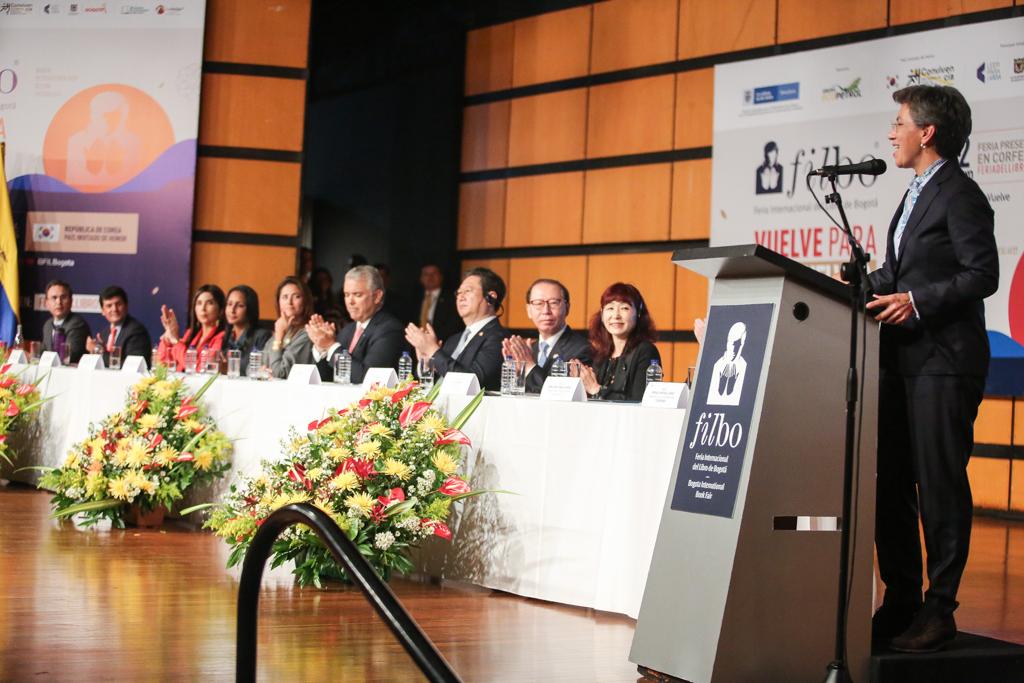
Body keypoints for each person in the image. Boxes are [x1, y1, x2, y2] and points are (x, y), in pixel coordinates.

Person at [865, 85, 998, 653]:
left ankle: (939, 609)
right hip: (898, 363)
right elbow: (896, 274)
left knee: (940, 488)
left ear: (928, 133)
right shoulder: (914, 195)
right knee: (889, 485)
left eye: (899, 123)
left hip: (944, 364)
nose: (891, 133)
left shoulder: (959, 194)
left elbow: (982, 273)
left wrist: (917, 301)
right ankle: (901, 601)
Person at [405, 267, 507, 391]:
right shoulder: (454, 339)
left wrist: (433, 351)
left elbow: (472, 382)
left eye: (467, 291)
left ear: (490, 297)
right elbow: (440, 382)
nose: (460, 297)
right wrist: (427, 364)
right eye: (458, 293)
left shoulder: (500, 339)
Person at [306, 265, 405, 383]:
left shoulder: (390, 329)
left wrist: (331, 346)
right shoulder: (347, 330)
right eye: (346, 295)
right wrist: (322, 347)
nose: (350, 301)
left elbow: (368, 379)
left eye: (357, 295)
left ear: (377, 296)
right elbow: (326, 379)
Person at [502, 278, 591, 393]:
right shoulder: (529, 350)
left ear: (567, 308)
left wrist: (529, 366)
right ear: (529, 310)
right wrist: (518, 374)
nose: (546, 311)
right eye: (538, 303)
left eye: (554, 303)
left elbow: (558, 393)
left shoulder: (582, 349)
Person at [576, 283, 660, 402]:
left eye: (624, 308)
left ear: (638, 313)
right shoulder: (602, 354)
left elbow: (640, 402)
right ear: (602, 313)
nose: (616, 315)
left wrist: (596, 390)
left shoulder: (646, 351)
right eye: (610, 308)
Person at [157, 285, 227, 372]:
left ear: (221, 310)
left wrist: (175, 341)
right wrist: (168, 339)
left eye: (210, 303)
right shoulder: (190, 334)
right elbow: (162, 367)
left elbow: (200, 370)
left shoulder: (221, 337)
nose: (203, 308)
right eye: (199, 303)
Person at [84, 285, 152, 367]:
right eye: (109, 306)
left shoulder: (136, 331)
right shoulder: (104, 333)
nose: (114, 309)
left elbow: (131, 366)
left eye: (118, 304)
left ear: (126, 306)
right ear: (102, 311)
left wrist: (97, 350)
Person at [262, 276, 314, 379]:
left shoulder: (308, 333)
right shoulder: (282, 329)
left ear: (305, 301)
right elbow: (251, 367)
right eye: (285, 297)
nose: (289, 302)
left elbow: (280, 374)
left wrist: (278, 339)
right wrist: (261, 371)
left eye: (296, 297)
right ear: (278, 302)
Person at [40, 279, 90, 364]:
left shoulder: (77, 323)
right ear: (47, 303)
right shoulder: (48, 325)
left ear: (71, 301)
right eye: (54, 298)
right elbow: (43, 352)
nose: (59, 302)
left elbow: (69, 355)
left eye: (63, 297)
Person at [224, 285, 271, 375]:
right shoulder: (226, 335)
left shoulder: (262, 336)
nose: (232, 310)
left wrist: (227, 368)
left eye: (240, 306)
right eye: (229, 304)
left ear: (250, 309)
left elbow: (257, 371)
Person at [417, 263, 460, 343]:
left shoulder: (451, 299)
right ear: (421, 278)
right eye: (426, 274)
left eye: (434, 273)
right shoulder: (415, 298)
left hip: (441, 344)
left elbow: (453, 326)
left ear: (441, 277)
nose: (430, 277)